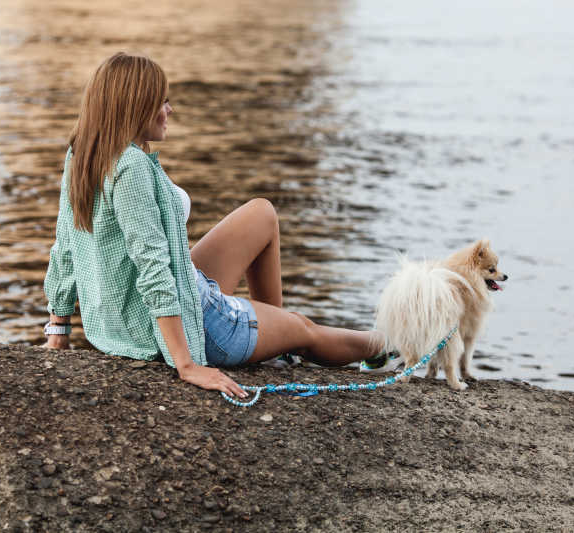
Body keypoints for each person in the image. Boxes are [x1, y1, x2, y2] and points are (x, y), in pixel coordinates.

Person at [42, 52, 385, 399]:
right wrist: (187, 364)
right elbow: (153, 269)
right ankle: (386, 345)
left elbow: (65, 248)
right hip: (195, 325)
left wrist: (58, 331)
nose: (169, 110)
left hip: (144, 311)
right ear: (136, 106)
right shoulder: (131, 169)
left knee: (262, 213)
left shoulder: (83, 154)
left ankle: (274, 343)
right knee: (305, 329)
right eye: (162, 101)